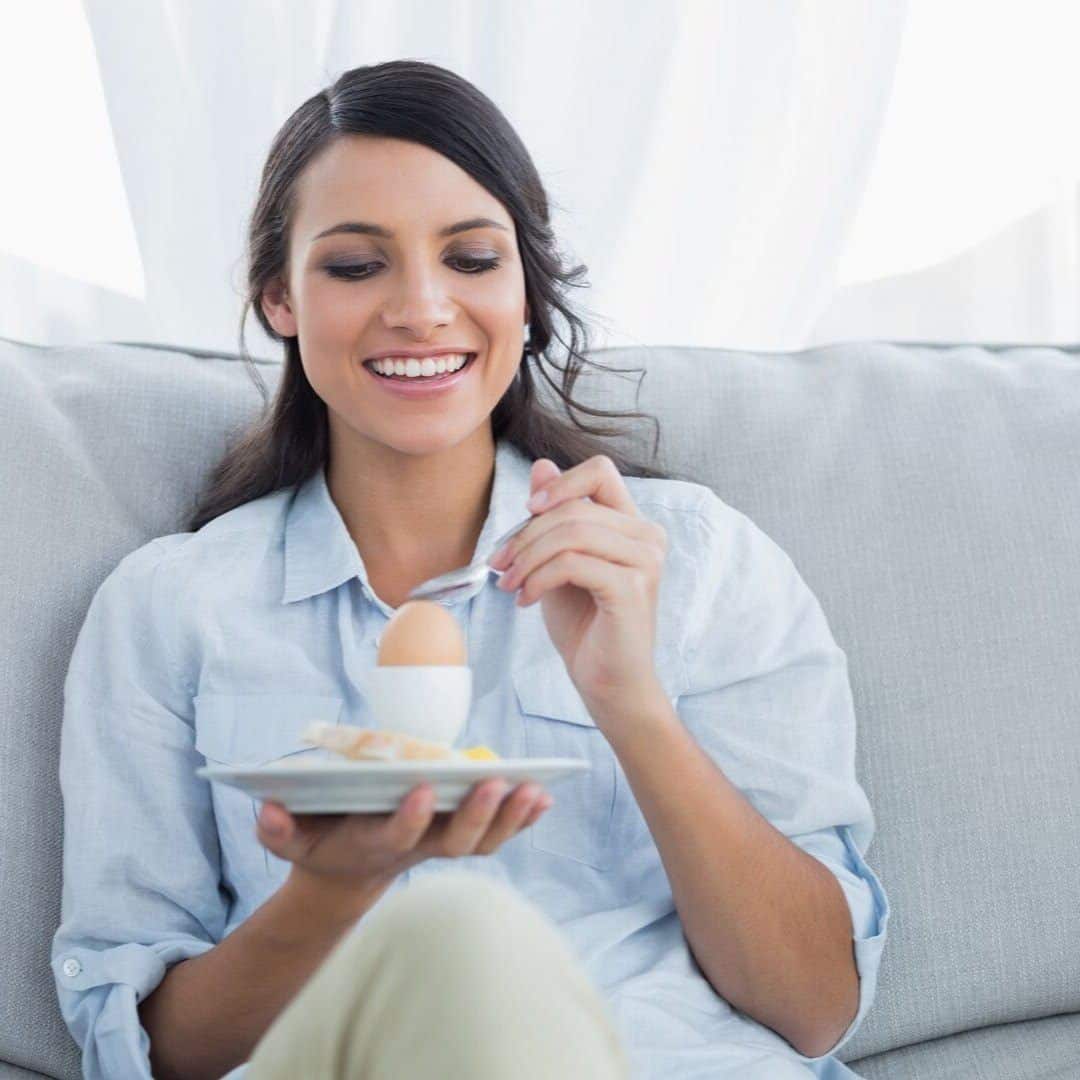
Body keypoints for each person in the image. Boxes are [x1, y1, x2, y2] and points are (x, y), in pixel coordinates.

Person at [50, 60, 891, 1080]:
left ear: (528, 291)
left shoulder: (694, 562)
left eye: (473, 259)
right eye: (356, 267)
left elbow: (814, 1008)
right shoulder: (170, 609)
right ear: (278, 296)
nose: (420, 308)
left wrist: (632, 704)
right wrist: (334, 888)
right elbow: (150, 1057)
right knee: (457, 937)